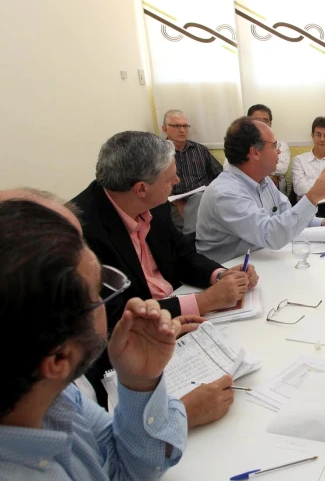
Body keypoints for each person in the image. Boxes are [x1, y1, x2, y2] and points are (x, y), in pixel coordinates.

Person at [70, 132, 257, 416]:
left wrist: (219, 275)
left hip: (179, 323)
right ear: (141, 188)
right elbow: (118, 314)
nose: (178, 182)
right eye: (171, 177)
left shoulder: (152, 202)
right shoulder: (82, 230)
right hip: (134, 351)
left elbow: (181, 253)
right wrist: (205, 301)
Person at [0, 198, 188, 480]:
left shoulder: (55, 393)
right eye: (99, 291)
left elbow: (128, 470)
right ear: (60, 357)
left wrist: (140, 383)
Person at [197, 117, 325, 262]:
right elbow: (271, 235)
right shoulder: (226, 194)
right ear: (255, 152)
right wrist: (313, 197)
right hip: (226, 274)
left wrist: (320, 222)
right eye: (274, 146)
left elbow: (286, 215)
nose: (278, 152)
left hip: (257, 260)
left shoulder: (263, 180)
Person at [162, 109, 223, 233]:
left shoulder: (200, 150)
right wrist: (177, 202)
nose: (182, 130)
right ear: (165, 129)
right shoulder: (158, 152)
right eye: (176, 126)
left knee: (199, 199)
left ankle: (190, 239)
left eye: (185, 126)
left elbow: (220, 176)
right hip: (172, 202)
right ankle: (191, 240)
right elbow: (152, 183)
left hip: (201, 198)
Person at [291, 116, 325, 217]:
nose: (322, 139)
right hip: (307, 207)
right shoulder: (299, 160)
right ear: (312, 136)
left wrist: (315, 187)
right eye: (318, 135)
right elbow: (300, 189)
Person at [244, 104, 290, 193]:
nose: (262, 124)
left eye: (266, 120)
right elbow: (229, 168)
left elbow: (282, 168)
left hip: (277, 194)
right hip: (247, 192)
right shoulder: (239, 144)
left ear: (270, 124)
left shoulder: (281, 145)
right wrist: (268, 175)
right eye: (257, 120)